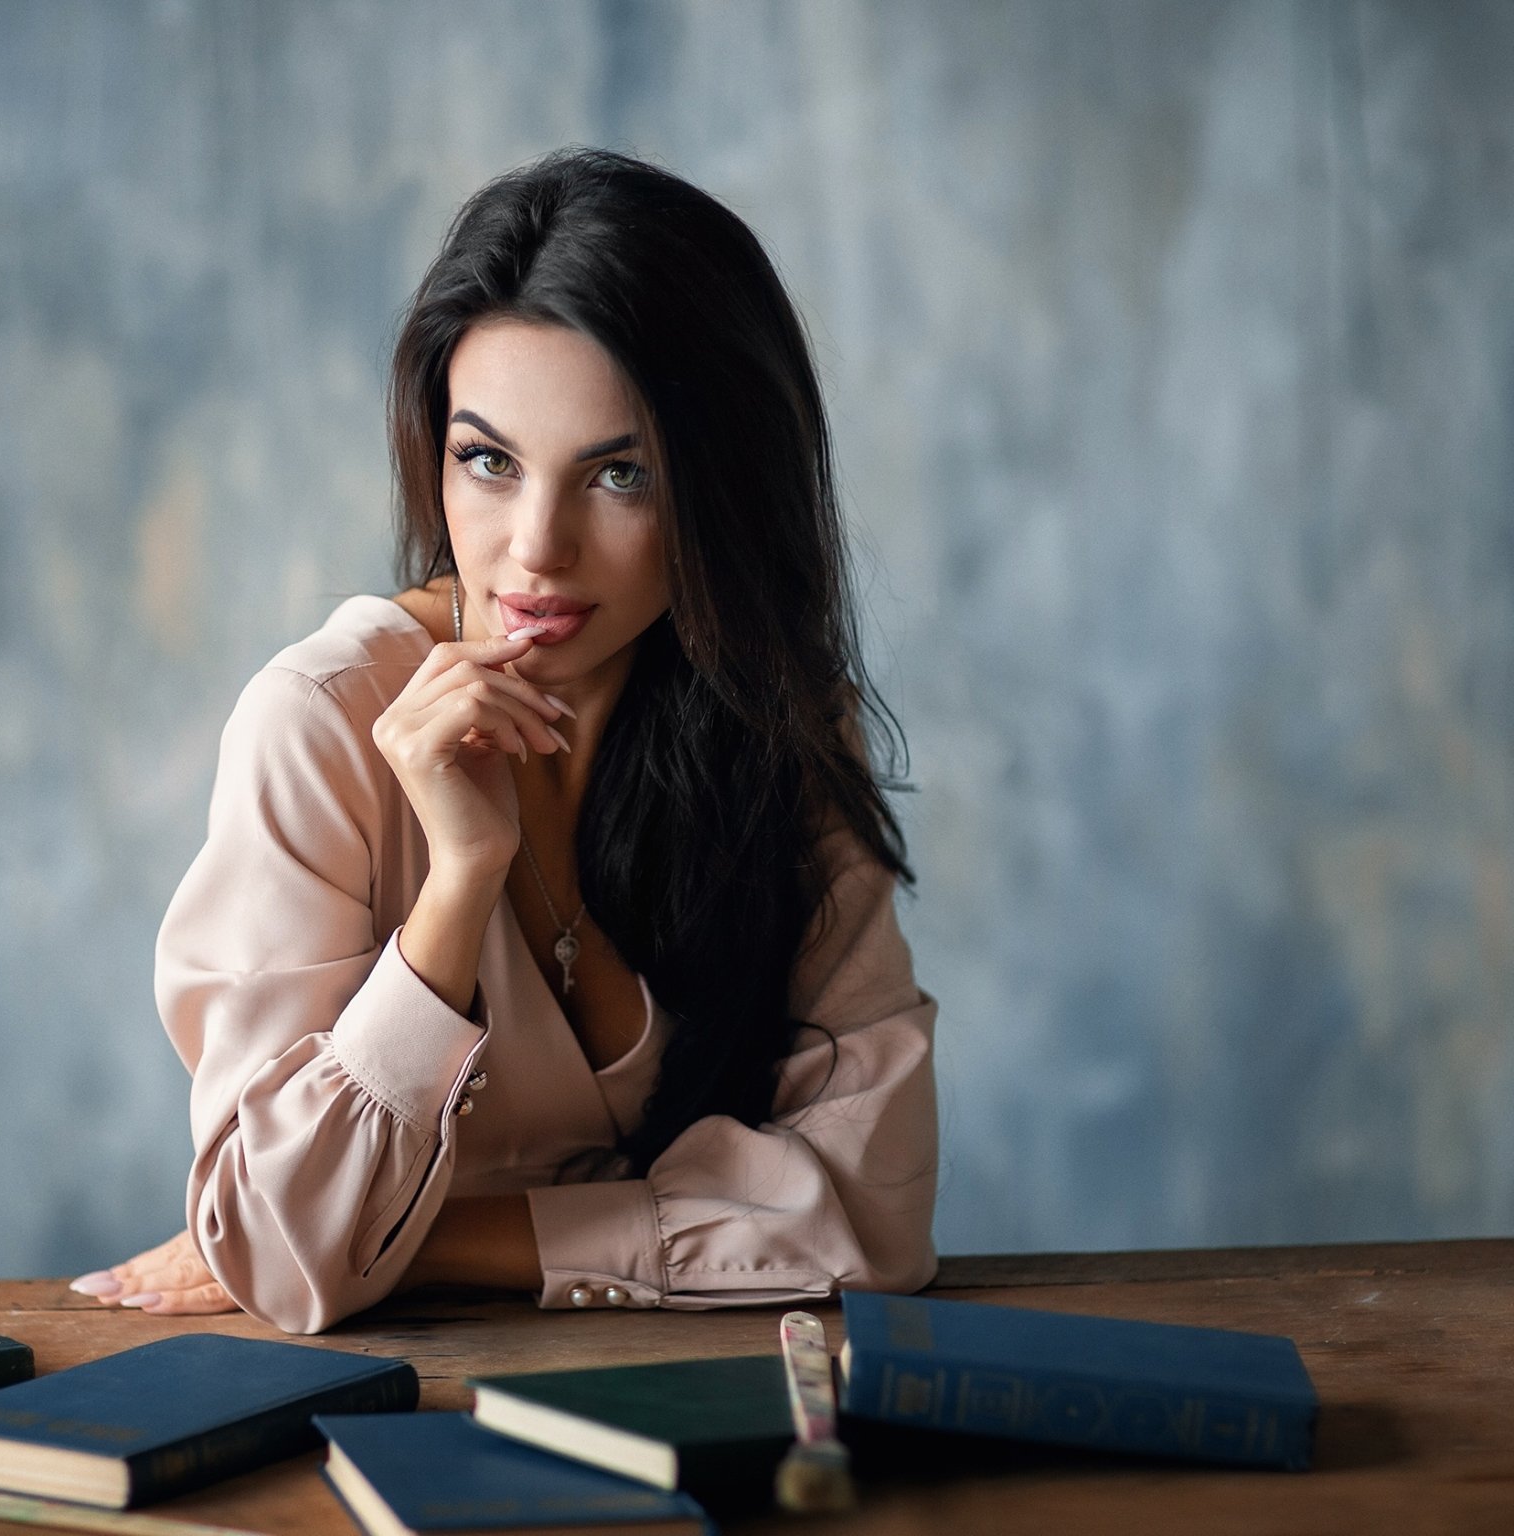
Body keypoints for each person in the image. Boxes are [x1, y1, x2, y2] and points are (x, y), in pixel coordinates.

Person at [69, 148, 939, 1334]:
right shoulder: (321, 730)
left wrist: (421, 1248)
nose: (536, 548)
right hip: (389, 1423)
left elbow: (869, 1213)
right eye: (488, 461)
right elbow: (281, 1251)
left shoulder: (774, 724)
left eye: (619, 474)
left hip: (703, 1405)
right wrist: (457, 889)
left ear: (722, 491)